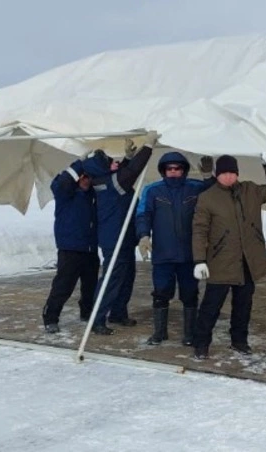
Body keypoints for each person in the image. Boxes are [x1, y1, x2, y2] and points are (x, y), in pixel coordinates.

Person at [191, 155, 266, 359]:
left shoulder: (250, 191)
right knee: (210, 307)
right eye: (224, 173)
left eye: (232, 173)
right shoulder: (208, 197)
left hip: (247, 262)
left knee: (243, 305)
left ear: (237, 174)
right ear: (217, 174)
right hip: (221, 262)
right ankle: (201, 344)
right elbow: (199, 231)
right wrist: (199, 260)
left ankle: (239, 341)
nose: (228, 177)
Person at [82, 132, 158, 335]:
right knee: (112, 279)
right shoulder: (112, 182)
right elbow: (131, 173)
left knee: (126, 277)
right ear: (101, 167)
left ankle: (118, 312)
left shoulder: (104, 180)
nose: (114, 162)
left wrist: (128, 158)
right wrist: (148, 147)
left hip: (120, 237)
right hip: (114, 239)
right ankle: (98, 318)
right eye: (109, 161)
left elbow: (123, 173)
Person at [135, 152, 214, 345]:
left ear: (184, 170)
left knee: (189, 294)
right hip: (163, 254)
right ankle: (160, 332)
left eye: (177, 168)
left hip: (189, 255)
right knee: (161, 292)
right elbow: (143, 214)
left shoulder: (195, 188)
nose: (173, 172)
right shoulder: (152, 190)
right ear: (163, 170)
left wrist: (207, 177)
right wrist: (144, 236)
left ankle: (189, 334)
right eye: (169, 168)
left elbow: (216, 195)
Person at [41, 158, 99, 334]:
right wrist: (81, 163)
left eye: (89, 176)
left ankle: (87, 313)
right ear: (77, 177)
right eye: (83, 176)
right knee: (63, 286)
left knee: (90, 286)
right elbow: (63, 181)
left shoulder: (94, 196)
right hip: (70, 249)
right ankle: (51, 317)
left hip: (90, 249)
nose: (86, 180)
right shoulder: (65, 193)